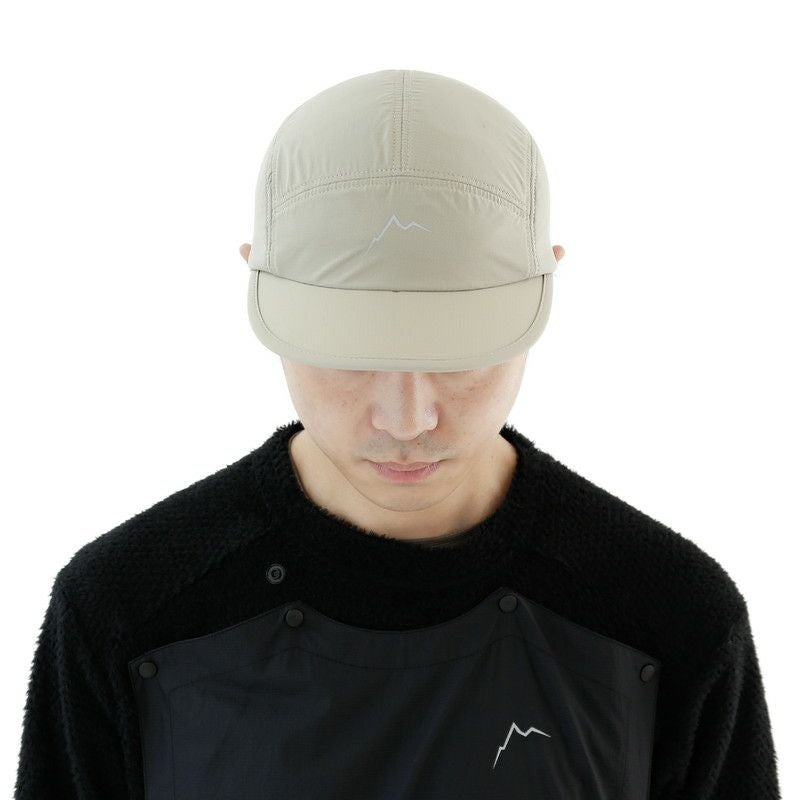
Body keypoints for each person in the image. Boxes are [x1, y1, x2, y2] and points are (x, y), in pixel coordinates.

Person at [15, 69, 780, 799]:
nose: (408, 419)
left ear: (547, 281)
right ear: (257, 278)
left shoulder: (672, 619)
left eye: (459, 354)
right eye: (350, 354)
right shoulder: (127, 611)